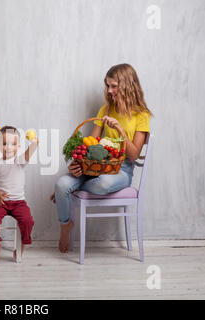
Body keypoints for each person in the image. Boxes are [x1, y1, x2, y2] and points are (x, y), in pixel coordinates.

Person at [51, 63, 153, 253]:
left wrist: (120, 130)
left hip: (121, 170)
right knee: (61, 184)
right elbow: (91, 145)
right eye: (108, 85)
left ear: (127, 85)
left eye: (114, 86)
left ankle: (69, 192)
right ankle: (65, 225)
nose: (109, 90)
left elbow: (134, 155)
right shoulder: (105, 110)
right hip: (95, 168)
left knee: (103, 184)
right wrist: (79, 164)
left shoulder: (142, 115)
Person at [0, 126, 38, 264]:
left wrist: (35, 143)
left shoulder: (19, 161)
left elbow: (29, 152)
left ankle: (21, 247)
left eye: (13, 144)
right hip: (0, 202)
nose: (8, 147)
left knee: (28, 221)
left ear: (18, 146)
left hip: (18, 203)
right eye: (4, 143)